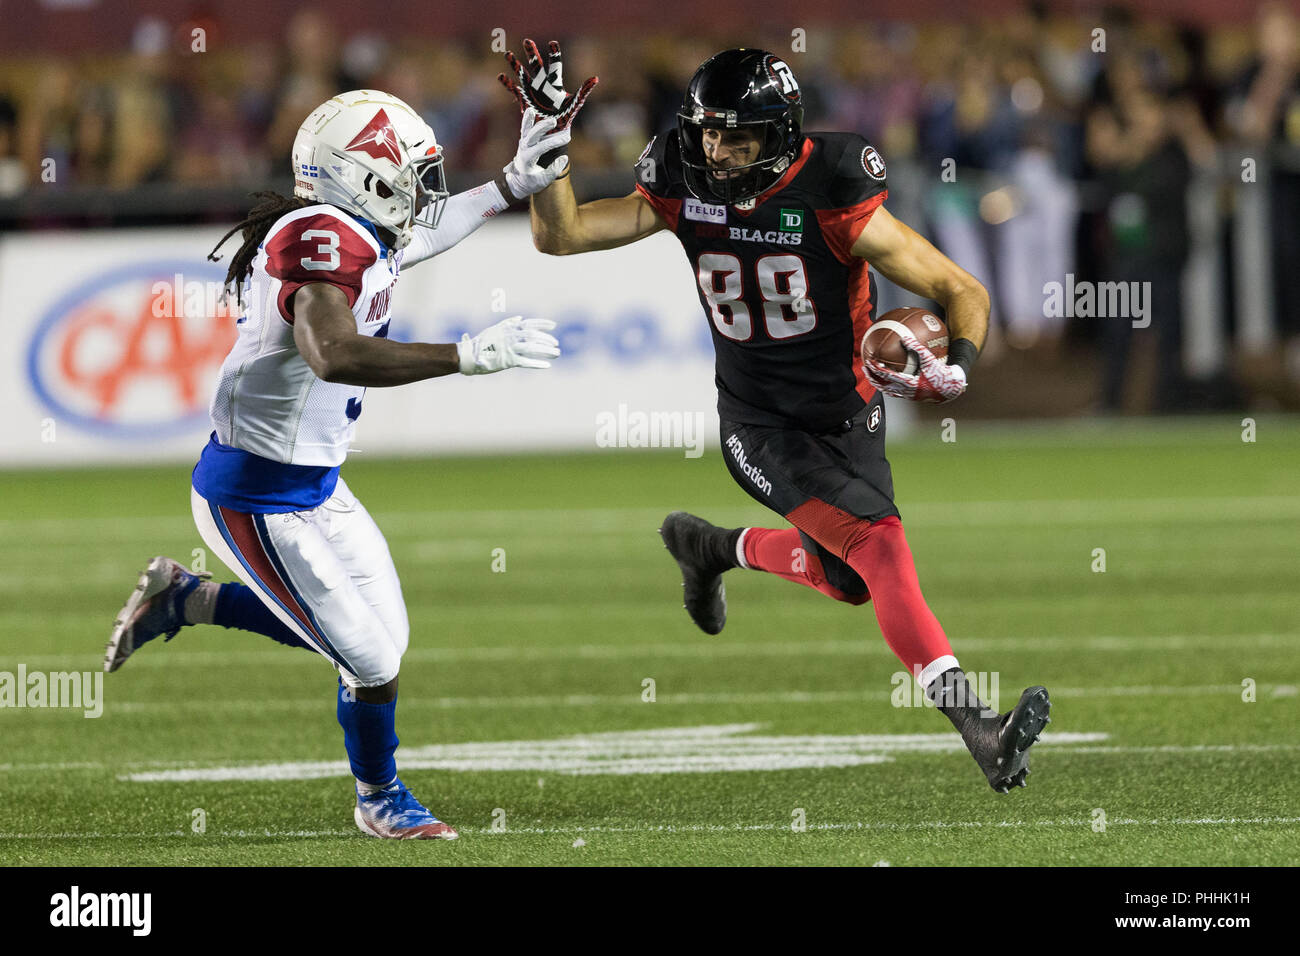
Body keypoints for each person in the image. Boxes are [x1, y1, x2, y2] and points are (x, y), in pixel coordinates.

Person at [502, 44, 1050, 792]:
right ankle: (977, 727)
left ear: (781, 136)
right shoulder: (678, 181)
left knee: (853, 581)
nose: (718, 152)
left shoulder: (831, 188)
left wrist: (959, 363)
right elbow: (559, 233)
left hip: (849, 414)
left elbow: (962, 289)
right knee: (880, 548)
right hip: (759, 424)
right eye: (708, 134)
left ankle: (712, 548)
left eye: (739, 137)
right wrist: (546, 148)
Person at [105, 89, 569, 837]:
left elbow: (422, 238)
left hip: (315, 484)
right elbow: (333, 354)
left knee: (379, 639)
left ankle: (186, 599)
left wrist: (513, 183)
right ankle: (379, 798)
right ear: (365, 177)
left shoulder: (353, 228)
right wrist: (466, 355)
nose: (424, 190)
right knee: (370, 658)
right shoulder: (319, 237)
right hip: (253, 495)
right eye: (411, 174)